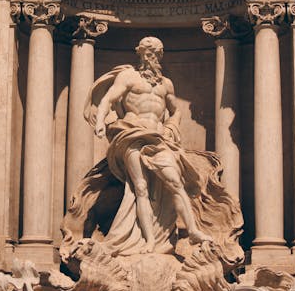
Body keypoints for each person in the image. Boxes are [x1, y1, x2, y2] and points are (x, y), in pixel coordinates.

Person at [88, 37, 211, 253]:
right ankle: (149, 240)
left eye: (154, 53)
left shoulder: (166, 84)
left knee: (175, 181)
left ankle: (192, 230)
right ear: (140, 54)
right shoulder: (128, 77)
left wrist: (172, 127)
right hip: (131, 134)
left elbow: (176, 111)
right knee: (141, 188)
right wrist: (100, 121)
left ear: (159, 56)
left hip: (158, 137)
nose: (150, 57)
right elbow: (108, 99)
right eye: (146, 52)